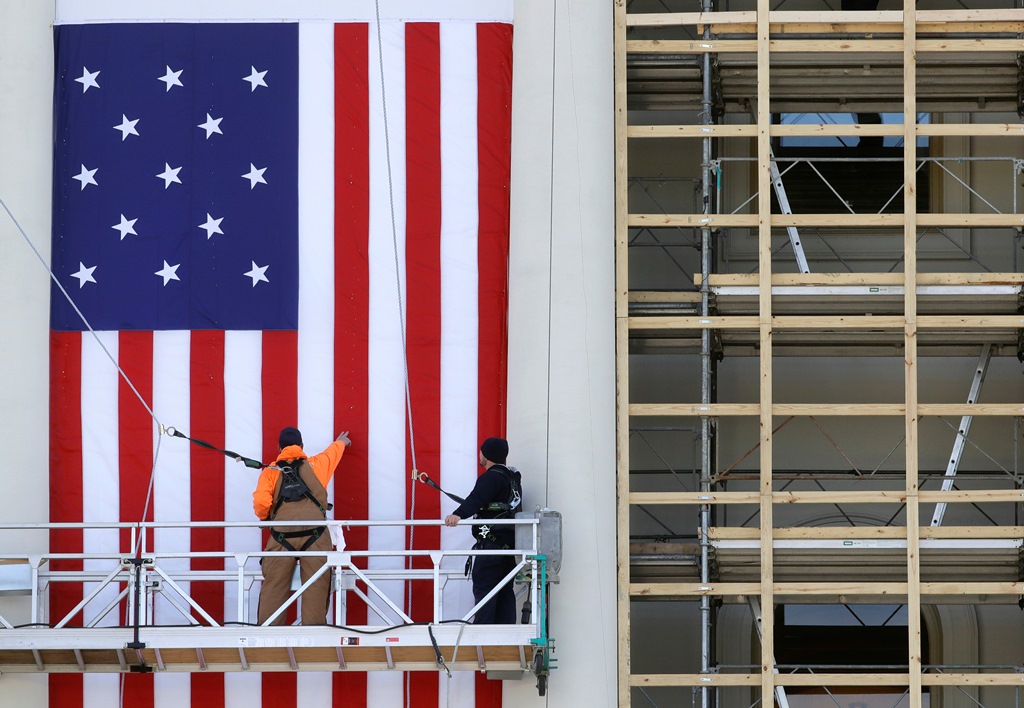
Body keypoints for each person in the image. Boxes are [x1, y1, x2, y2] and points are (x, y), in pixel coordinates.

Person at [253, 426, 350, 625]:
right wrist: (342, 442)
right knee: (316, 587)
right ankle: (312, 642)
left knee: (274, 588)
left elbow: (261, 504)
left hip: (281, 538)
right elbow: (334, 451)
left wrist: (266, 518)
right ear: (302, 446)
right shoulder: (318, 464)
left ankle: (267, 639)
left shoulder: (270, 471)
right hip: (315, 536)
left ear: (279, 447)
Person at [444, 437, 522, 624]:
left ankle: (483, 634)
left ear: (486, 454)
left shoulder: (491, 477)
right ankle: (506, 635)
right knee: (504, 591)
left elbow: (476, 499)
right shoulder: (512, 480)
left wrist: (457, 515)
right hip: (509, 545)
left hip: (491, 544)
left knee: (485, 589)